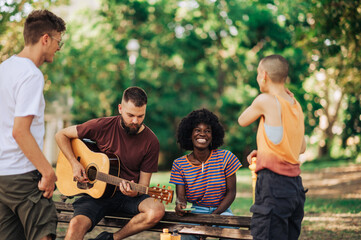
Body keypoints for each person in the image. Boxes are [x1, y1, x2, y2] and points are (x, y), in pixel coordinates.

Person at [55, 86, 165, 240]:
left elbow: (144, 185)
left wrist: (135, 192)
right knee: (76, 226)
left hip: (129, 197)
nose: (135, 121)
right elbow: (61, 135)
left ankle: (111, 238)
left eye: (140, 116)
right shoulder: (102, 126)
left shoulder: (151, 142)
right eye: (130, 115)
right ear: (120, 108)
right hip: (97, 193)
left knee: (156, 210)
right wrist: (74, 163)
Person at [0, 10, 66, 240]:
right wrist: (48, 172)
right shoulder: (31, 75)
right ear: (45, 39)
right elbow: (20, 131)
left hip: (2, 177)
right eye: (59, 41)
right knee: (44, 232)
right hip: (22, 175)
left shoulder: (4, 69)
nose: (59, 47)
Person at [238, 54, 307, 240]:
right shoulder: (295, 105)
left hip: (273, 185)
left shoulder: (265, 100)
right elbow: (300, 147)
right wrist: (265, 151)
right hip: (295, 188)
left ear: (264, 75)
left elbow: (242, 120)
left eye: (257, 74)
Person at [169, 108, 242, 240]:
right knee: (183, 235)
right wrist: (180, 205)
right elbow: (181, 197)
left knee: (232, 234)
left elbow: (231, 193)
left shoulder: (226, 157)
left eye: (207, 131)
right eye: (197, 130)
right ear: (189, 134)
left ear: (213, 135)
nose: (202, 134)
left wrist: (212, 217)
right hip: (196, 213)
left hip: (223, 212)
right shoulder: (179, 164)